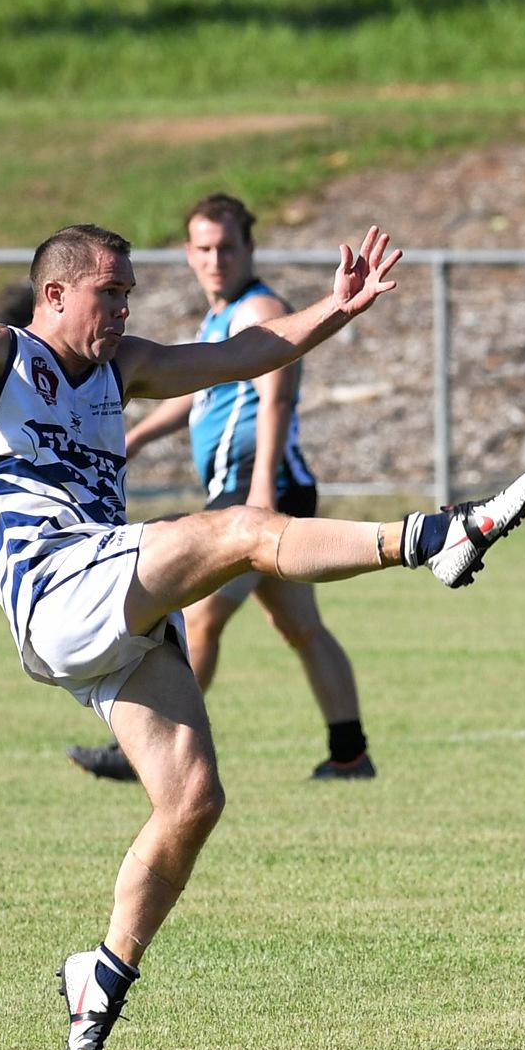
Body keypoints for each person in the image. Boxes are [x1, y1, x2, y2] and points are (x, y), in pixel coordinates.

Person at [0, 223, 525, 1050]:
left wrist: (337, 308)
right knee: (243, 531)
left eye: (127, 294)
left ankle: (100, 977)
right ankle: (437, 535)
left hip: (114, 599)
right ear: (54, 295)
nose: (121, 308)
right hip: (57, 591)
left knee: (192, 800)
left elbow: (243, 355)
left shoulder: (122, 368)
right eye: (107, 292)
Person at [68, 192, 373, 784]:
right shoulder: (223, 312)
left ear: (249, 248)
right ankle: (350, 753)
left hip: (257, 490)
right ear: (188, 253)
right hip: (251, 490)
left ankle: (150, 753)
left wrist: (259, 494)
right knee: (302, 627)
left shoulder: (258, 308)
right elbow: (196, 396)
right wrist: (138, 438)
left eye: (227, 247)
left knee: (199, 620)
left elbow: (275, 399)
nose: (215, 259)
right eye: (204, 248)